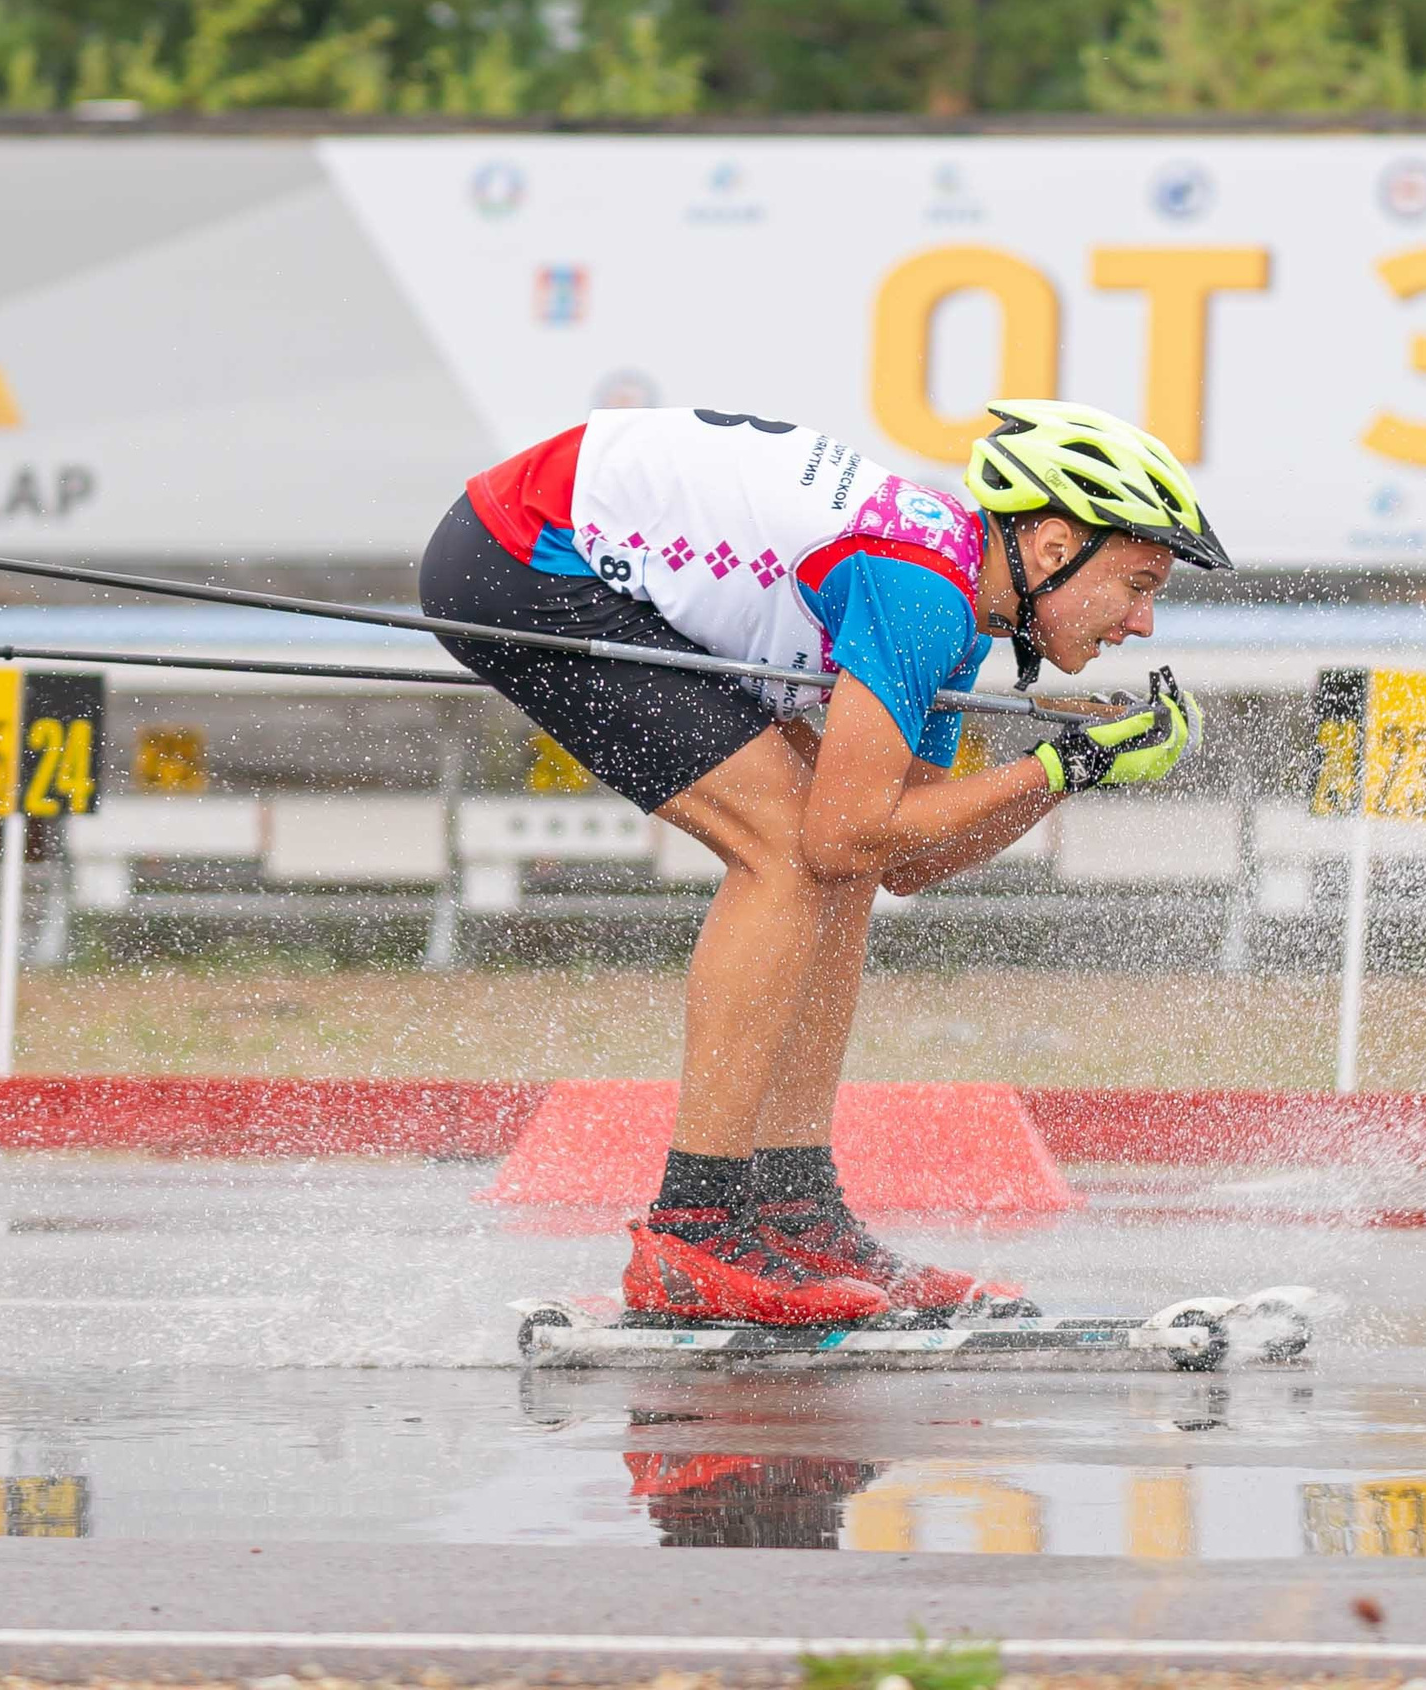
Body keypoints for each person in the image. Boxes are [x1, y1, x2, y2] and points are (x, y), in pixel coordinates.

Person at [418, 400, 1227, 1325]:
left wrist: (1067, 774)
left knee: (829, 858)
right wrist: (1060, 762)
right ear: (1049, 548)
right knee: (791, 854)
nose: (1146, 621)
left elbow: (903, 854)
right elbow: (848, 834)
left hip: (582, 539)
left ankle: (797, 1214)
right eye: (1137, 582)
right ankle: (694, 1232)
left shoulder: (957, 607)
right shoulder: (922, 588)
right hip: (524, 551)